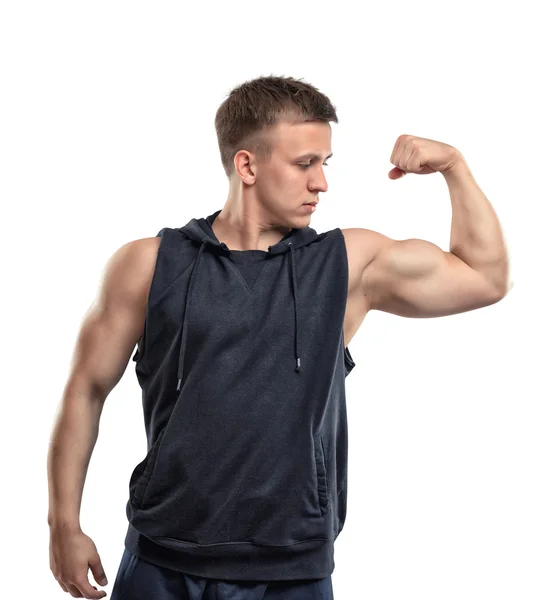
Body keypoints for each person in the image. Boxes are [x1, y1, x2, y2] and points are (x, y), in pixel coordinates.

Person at [47, 75, 511, 600]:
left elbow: (484, 278)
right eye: (304, 164)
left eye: (324, 163)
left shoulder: (346, 266)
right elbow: (85, 391)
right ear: (247, 165)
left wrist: (455, 168)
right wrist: (63, 523)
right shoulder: (149, 265)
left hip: (291, 570)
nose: (322, 183)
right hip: (162, 557)